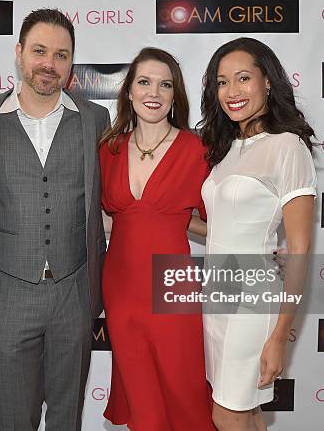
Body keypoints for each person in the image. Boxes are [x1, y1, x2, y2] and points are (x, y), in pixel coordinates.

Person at [0, 9, 110, 431]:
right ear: (19, 53)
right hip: (7, 292)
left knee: (67, 416)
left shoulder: (95, 119)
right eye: (40, 51)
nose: (49, 63)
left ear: (71, 63)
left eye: (61, 54)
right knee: (14, 418)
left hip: (74, 291)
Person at [195, 37, 316, 431]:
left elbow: (299, 248)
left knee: (226, 413)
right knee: (248, 413)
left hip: (251, 302)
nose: (232, 91)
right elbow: (224, 229)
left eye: (243, 78)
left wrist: (280, 335)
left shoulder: (287, 147)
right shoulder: (229, 148)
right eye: (222, 82)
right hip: (218, 297)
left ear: (267, 81)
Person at [99, 47, 216, 431]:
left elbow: (208, 221)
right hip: (121, 288)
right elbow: (106, 218)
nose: (154, 92)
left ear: (174, 95)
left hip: (171, 285)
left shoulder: (196, 150)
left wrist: (256, 248)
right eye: (144, 82)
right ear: (129, 92)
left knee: (185, 392)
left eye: (165, 84)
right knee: (143, 404)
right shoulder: (109, 149)